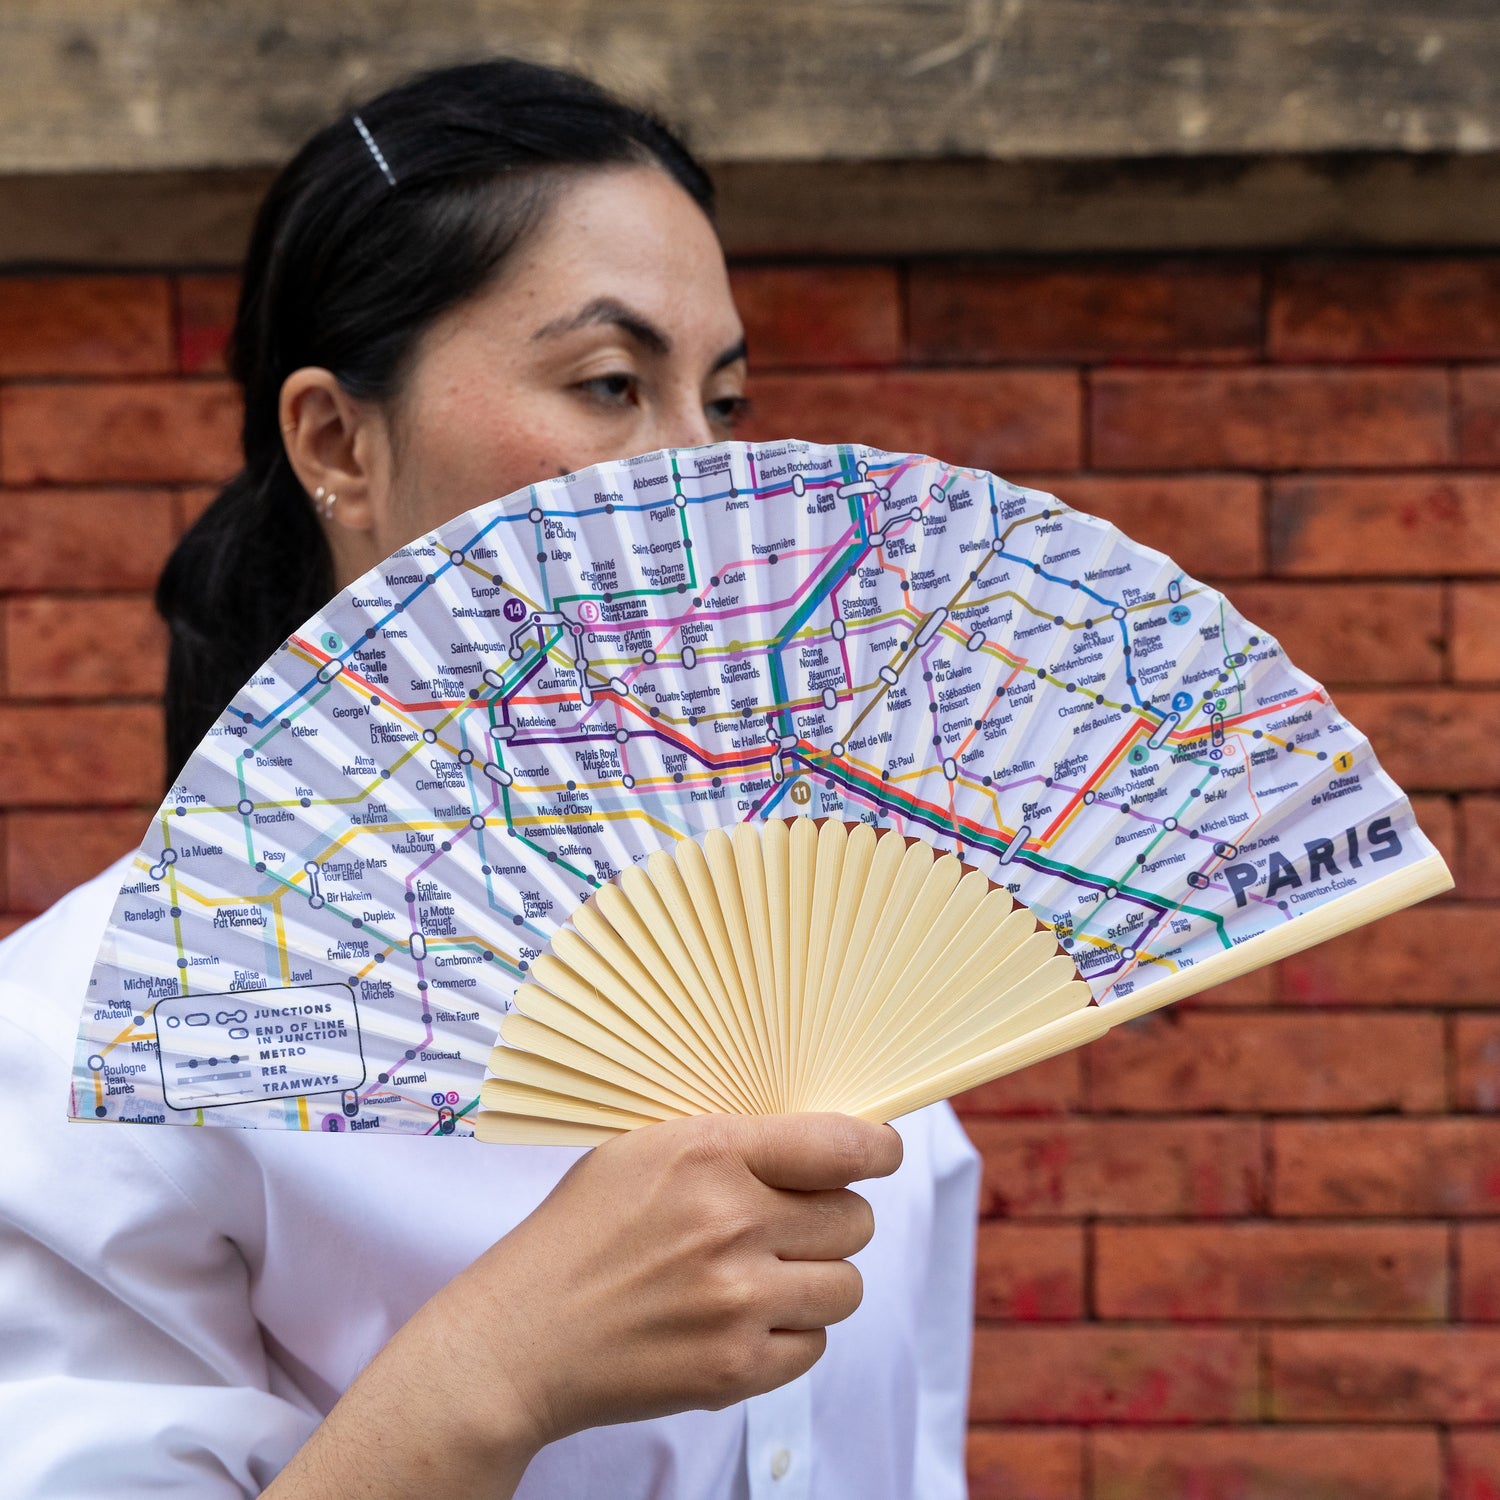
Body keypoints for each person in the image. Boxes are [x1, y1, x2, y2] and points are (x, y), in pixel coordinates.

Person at [0, 58, 980, 1498]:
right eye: (607, 384)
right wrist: (496, 1372)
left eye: (723, 400)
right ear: (338, 439)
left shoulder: (834, 961)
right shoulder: (93, 1040)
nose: (704, 476)